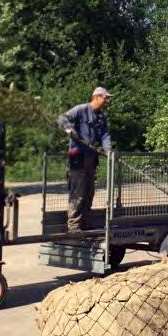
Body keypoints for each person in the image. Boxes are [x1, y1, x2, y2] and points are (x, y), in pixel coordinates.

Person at [58, 87, 112, 233]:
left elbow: (105, 135)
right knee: (78, 193)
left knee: (89, 192)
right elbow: (63, 118)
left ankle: (85, 222)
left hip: (91, 159)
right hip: (78, 158)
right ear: (97, 97)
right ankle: (74, 225)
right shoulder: (81, 110)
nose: (107, 101)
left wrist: (108, 150)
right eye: (106, 98)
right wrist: (69, 129)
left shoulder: (101, 117)